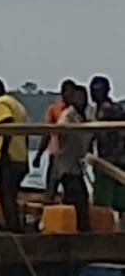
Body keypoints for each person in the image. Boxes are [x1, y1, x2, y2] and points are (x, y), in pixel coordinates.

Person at [0, 79, 29, 232]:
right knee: (11, 194)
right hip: (20, 155)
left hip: (9, 156)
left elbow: (7, 125)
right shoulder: (17, 105)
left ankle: (13, 228)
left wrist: (4, 152)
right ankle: (14, 226)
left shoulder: (0, 104)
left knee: (7, 196)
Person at [50, 84, 91, 231]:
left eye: (83, 97)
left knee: (78, 196)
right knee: (77, 197)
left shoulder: (83, 116)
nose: (81, 101)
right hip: (66, 164)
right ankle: (78, 229)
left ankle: (77, 227)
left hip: (76, 164)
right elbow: (60, 131)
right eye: (78, 97)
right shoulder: (68, 115)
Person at [89, 75, 125, 223]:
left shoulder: (107, 110)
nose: (96, 94)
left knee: (106, 201)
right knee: (117, 200)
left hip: (112, 160)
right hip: (111, 159)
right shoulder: (107, 109)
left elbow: (94, 133)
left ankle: (106, 228)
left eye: (99, 90)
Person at [36, 80, 77, 200]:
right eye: (66, 92)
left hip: (72, 157)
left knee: (72, 189)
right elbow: (47, 133)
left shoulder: (78, 111)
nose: (69, 95)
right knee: (51, 186)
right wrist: (39, 155)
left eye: (72, 92)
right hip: (56, 154)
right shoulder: (54, 109)